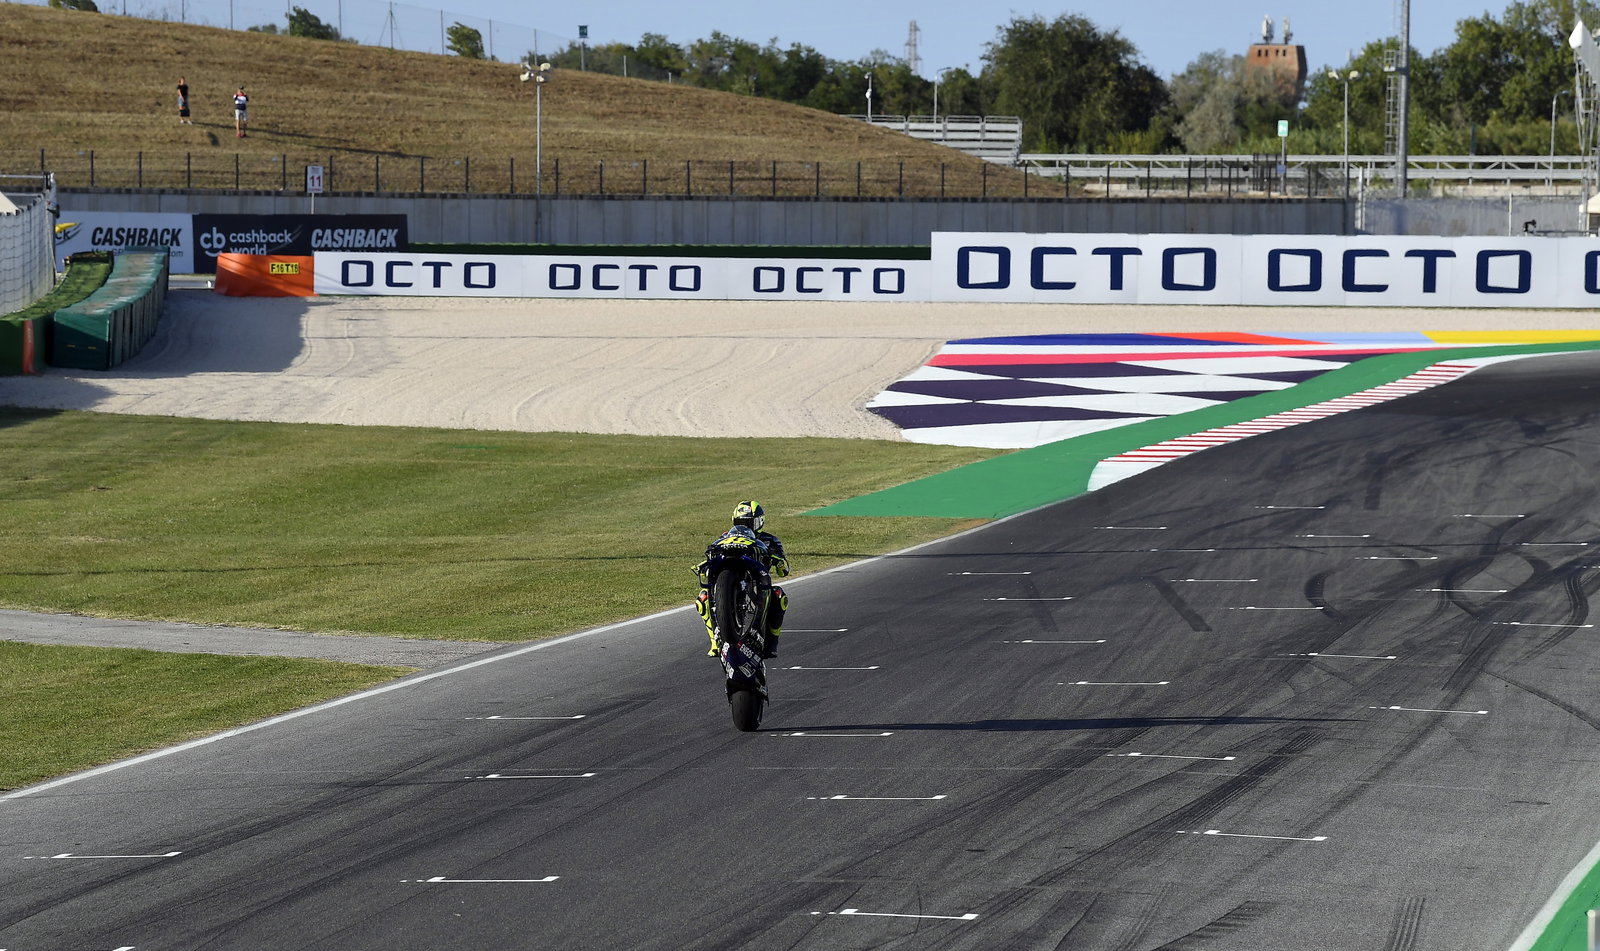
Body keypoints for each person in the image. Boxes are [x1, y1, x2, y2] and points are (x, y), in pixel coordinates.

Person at [694, 501, 789, 658]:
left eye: (749, 523)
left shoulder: (770, 540)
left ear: (760, 522)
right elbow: (711, 553)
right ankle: (714, 642)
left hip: (759, 583)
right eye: (740, 522)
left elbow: (784, 570)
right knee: (702, 598)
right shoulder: (725, 537)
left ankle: (772, 643)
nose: (745, 526)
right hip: (731, 574)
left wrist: (778, 560)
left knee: (779, 596)